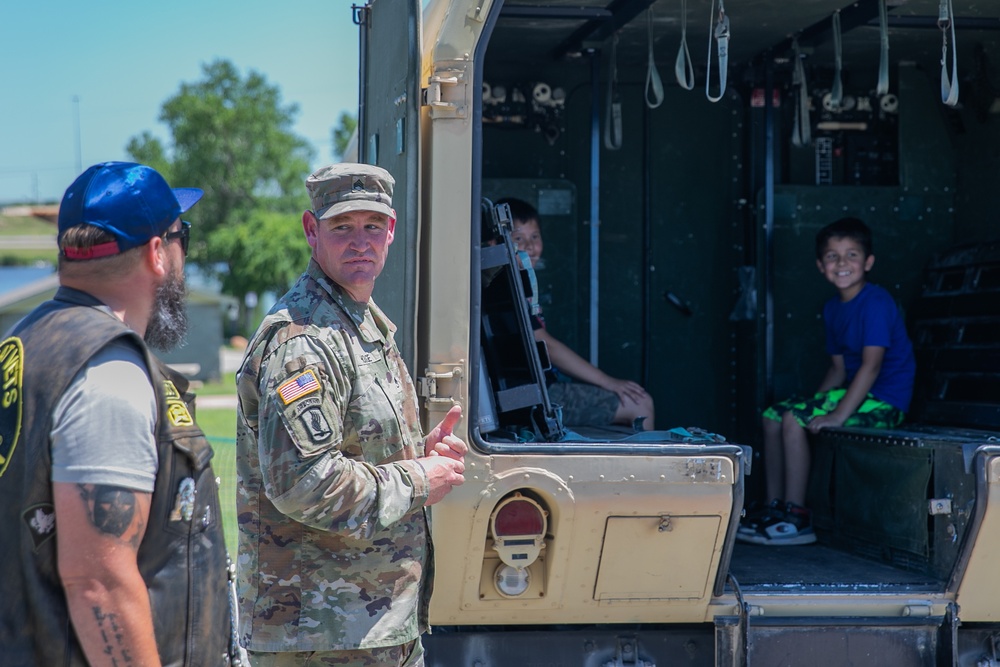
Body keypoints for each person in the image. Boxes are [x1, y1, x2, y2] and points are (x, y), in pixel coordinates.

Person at [0, 162, 234, 665]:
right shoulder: (108, 372)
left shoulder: (26, 341)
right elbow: (98, 582)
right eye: (181, 238)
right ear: (157, 252)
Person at [236, 163, 467, 666]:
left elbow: (354, 454)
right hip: (321, 635)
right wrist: (416, 477)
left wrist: (414, 455)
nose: (360, 241)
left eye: (372, 226)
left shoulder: (358, 324)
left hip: (369, 628)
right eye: (342, 227)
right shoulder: (304, 342)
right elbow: (303, 481)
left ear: (391, 231)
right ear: (311, 231)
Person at [738, 217, 916, 546]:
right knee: (773, 415)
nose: (842, 263)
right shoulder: (834, 308)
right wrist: (813, 406)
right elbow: (837, 370)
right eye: (832, 256)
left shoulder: (875, 302)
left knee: (794, 419)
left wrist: (834, 416)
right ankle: (775, 507)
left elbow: (871, 367)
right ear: (821, 266)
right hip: (854, 391)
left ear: (868, 262)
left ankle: (797, 516)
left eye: (851, 254)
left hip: (885, 400)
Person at [495, 197, 656, 430]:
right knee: (640, 404)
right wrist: (609, 382)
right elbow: (546, 345)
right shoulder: (506, 288)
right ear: (498, 244)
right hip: (536, 397)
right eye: (519, 239)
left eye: (535, 237)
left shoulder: (514, 284)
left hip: (534, 391)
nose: (529, 246)